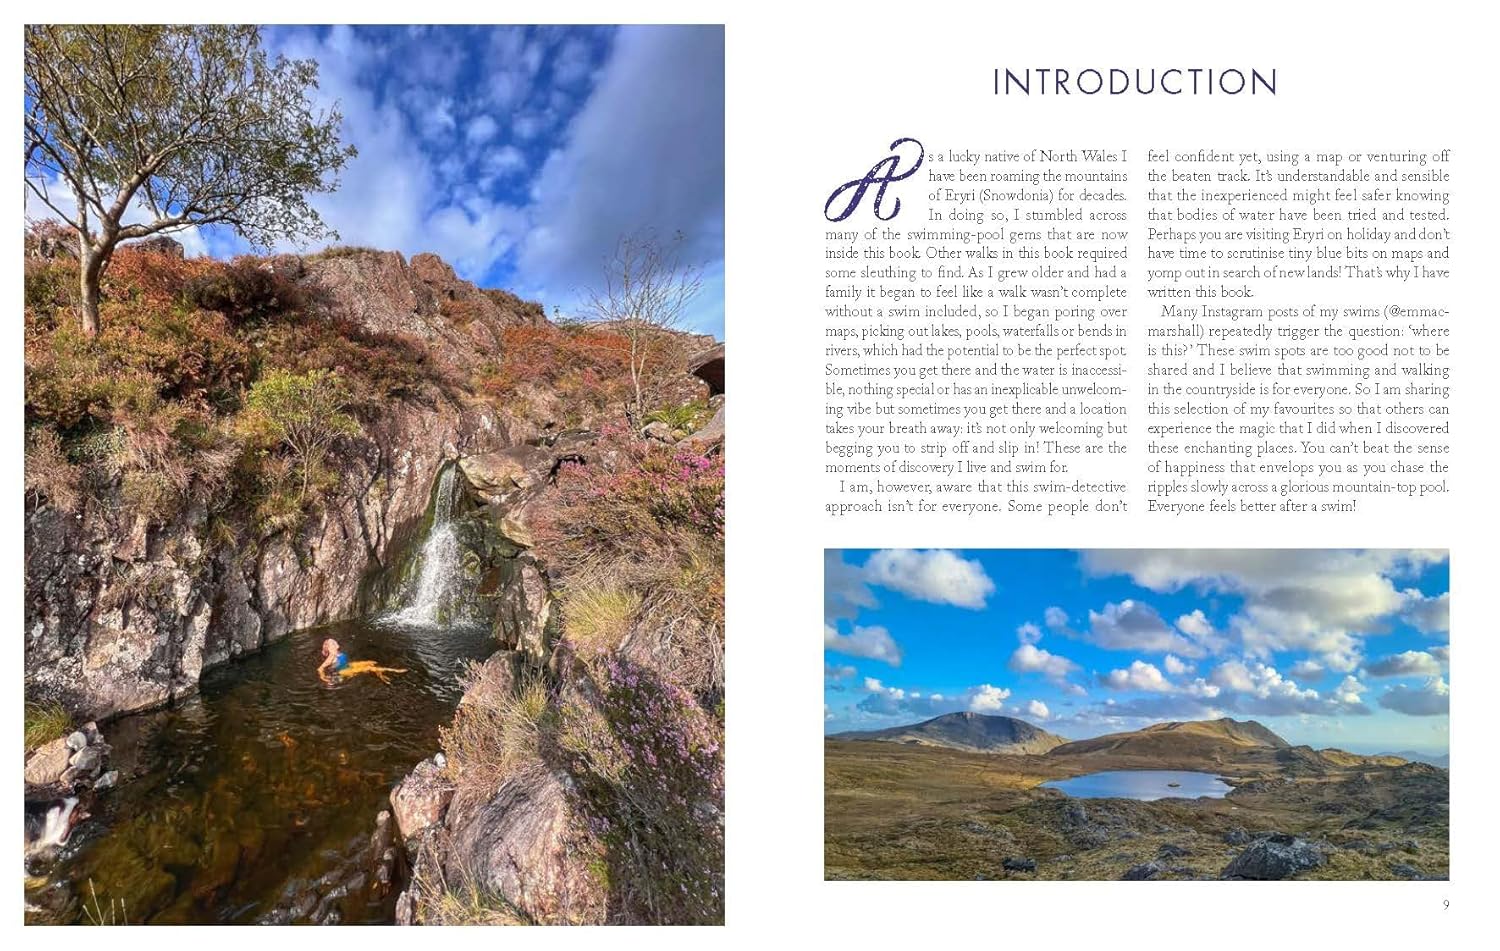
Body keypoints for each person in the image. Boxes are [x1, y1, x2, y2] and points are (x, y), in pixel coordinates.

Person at [317, 638, 408, 684]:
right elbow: (320, 669)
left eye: (334, 641)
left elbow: (343, 661)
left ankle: (381, 674)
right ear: (329, 648)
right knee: (369, 667)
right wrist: (324, 678)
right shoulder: (331, 656)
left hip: (348, 665)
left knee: (370, 662)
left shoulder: (338, 652)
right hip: (343, 671)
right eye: (332, 643)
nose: (335, 643)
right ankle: (393, 671)